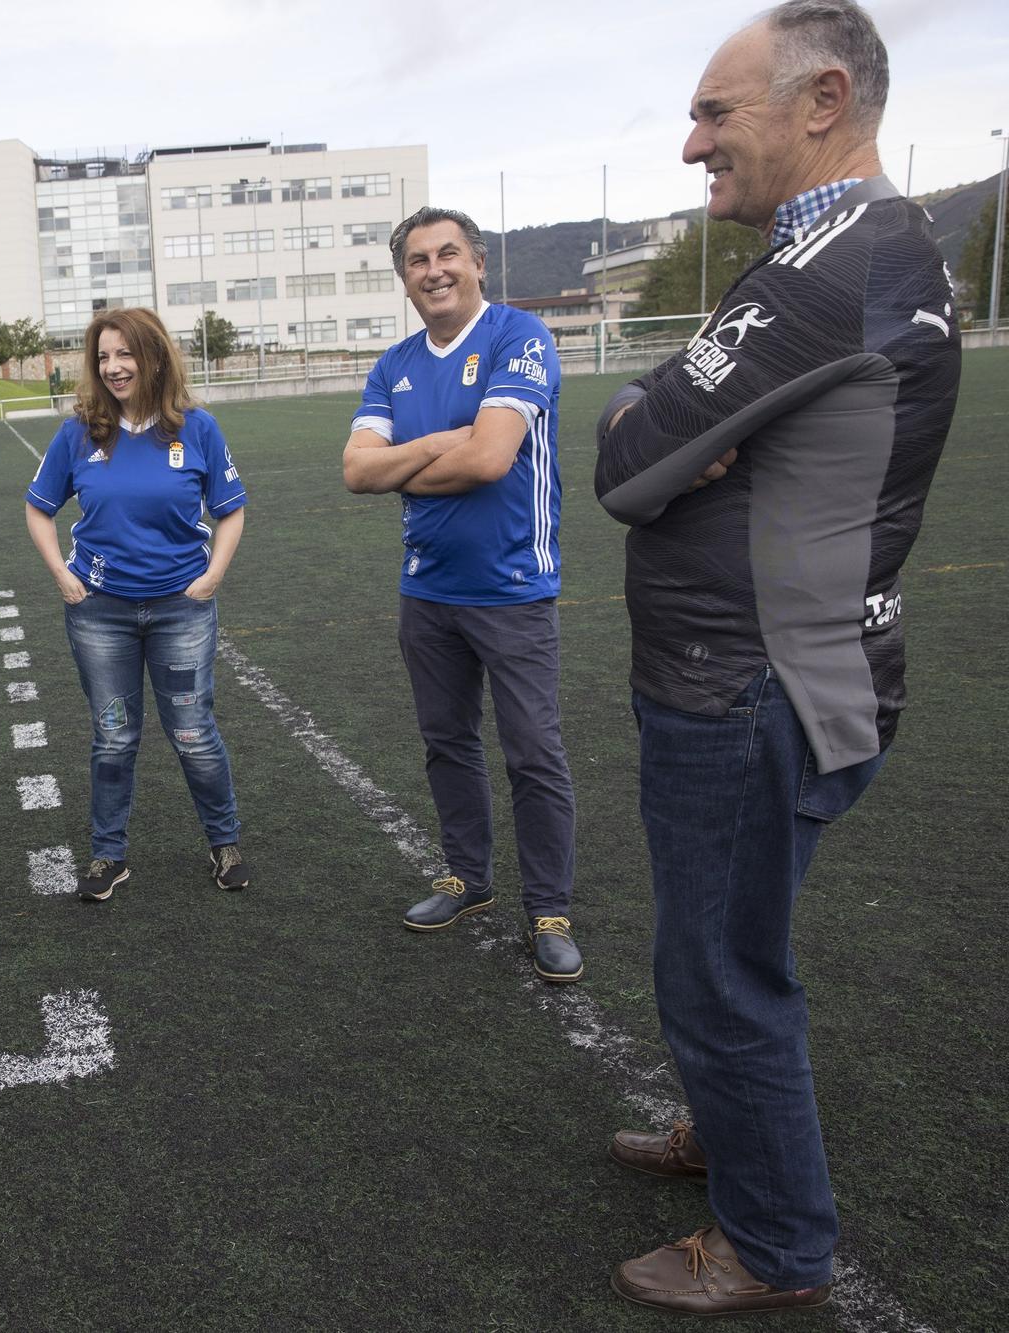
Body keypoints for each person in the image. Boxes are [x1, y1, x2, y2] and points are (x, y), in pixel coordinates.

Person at [593, 1, 960, 1314]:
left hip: (759, 682)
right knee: (713, 946)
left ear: (819, 103)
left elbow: (632, 462)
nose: (693, 144)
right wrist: (664, 412)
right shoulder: (833, 251)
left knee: (722, 967)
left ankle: (776, 1244)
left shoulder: (842, 259)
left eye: (715, 112)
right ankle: (727, 1137)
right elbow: (665, 424)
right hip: (758, 671)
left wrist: (650, 417)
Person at [342, 207, 581, 984]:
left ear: (478, 262)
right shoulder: (395, 365)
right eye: (418, 260)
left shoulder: (520, 336)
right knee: (447, 742)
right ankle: (468, 879)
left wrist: (409, 463)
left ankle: (549, 908)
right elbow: (355, 471)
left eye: (449, 254)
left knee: (533, 752)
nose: (434, 269)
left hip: (512, 590)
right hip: (427, 589)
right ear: (404, 277)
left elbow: (489, 460)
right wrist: (443, 442)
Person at [24, 307, 249, 902]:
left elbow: (231, 511)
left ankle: (224, 842)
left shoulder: (197, 428)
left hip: (182, 610)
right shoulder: (79, 431)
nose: (114, 367)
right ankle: (108, 856)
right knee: (114, 736)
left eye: (125, 354)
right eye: (103, 357)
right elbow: (39, 508)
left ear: (153, 357)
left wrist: (212, 577)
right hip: (100, 614)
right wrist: (61, 575)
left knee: (194, 732)